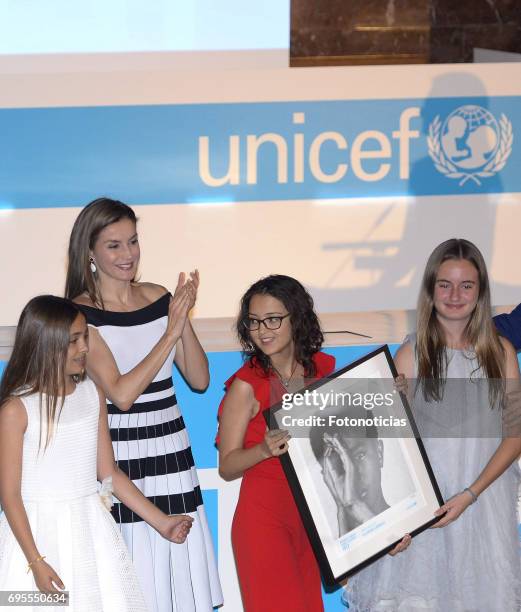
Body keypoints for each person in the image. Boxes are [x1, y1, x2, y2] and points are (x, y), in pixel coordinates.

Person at [64, 198, 222, 612]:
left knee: (183, 585)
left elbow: (201, 380)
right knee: (135, 585)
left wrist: (181, 319)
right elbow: (121, 394)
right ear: (90, 253)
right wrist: (169, 331)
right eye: (114, 245)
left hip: (172, 452)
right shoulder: (80, 316)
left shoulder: (158, 298)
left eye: (132, 241)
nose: (128, 254)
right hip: (122, 458)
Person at [346, 238, 521, 611]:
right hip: (425, 516)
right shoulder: (410, 355)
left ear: (481, 292)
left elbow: (515, 435)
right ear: (430, 289)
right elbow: (391, 449)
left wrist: (470, 495)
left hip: (482, 509)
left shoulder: (501, 352)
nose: (455, 295)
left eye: (466, 285)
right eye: (445, 284)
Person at [0, 296, 193, 610]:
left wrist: (162, 522)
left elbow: (109, 473)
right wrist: (35, 562)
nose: (84, 348)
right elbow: (9, 495)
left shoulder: (92, 394)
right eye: (73, 340)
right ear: (46, 343)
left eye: (84, 337)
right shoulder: (17, 409)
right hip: (34, 537)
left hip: (90, 530)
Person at [217, 275, 336, 612]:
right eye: (253, 322)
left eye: (272, 319)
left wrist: (389, 394)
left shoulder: (321, 368)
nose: (262, 330)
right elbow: (227, 465)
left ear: (296, 318)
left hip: (312, 516)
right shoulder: (245, 385)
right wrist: (263, 450)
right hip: (264, 520)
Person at [309, 413, 389, 536]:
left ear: (379, 453)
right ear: (327, 478)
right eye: (340, 466)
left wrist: (355, 504)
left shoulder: (417, 518)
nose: (353, 477)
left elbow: (388, 538)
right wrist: (343, 508)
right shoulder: (331, 550)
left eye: (359, 455)